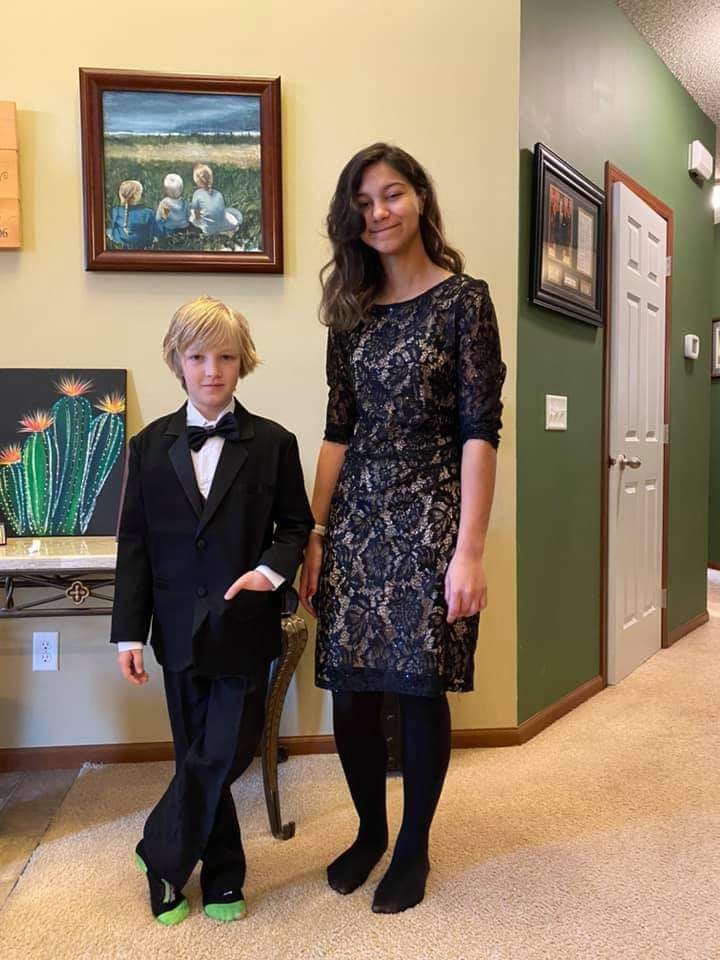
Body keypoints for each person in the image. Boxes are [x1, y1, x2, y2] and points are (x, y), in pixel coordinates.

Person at [299, 143, 506, 914]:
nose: (379, 212)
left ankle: (413, 845)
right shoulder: (349, 315)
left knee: (419, 686)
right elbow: (337, 431)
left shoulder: (465, 302)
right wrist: (315, 532)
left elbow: (480, 431)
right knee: (352, 692)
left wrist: (470, 551)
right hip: (357, 516)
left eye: (391, 194)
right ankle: (370, 832)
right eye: (363, 203)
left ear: (420, 197)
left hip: (432, 515)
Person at [111, 295, 313, 925]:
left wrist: (269, 572)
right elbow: (135, 545)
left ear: (242, 362)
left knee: (227, 752)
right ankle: (223, 872)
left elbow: (296, 526)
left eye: (225, 357)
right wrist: (128, 635)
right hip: (176, 629)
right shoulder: (148, 447)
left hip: (243, 626)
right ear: (177, 360)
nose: (211, 370)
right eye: (198, 357)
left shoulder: (274, 443)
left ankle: (159, 852)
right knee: (196, 750)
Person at [190, 163, 244, 238]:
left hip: (208, 229)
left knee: (191, 215)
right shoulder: (218, 194)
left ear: (197, 181)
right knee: (230, 212)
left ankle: (214, 232)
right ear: (211, 179)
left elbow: (197, 217)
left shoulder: (197, 194)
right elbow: (221, 212)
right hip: (221, 223)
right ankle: (226, 231)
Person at [107, 179, 156, 249]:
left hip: (118, 247)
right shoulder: (148, 213)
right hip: (141, 248)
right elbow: (151, 235)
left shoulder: (115, 210)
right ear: (137, 195)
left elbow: (113, 229)